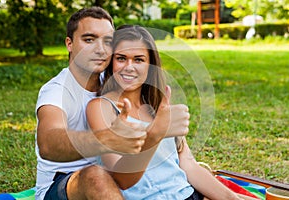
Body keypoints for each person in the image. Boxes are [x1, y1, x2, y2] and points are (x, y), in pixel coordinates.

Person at [35, 7, 190, 200]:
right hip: (64, 185)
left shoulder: (116, 79)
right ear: (69, 43)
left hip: (115, 174)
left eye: (107, 41)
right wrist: (106, 139)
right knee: (96, 176)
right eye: (89, 39)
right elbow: (48, 145)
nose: (100, 49)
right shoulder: (57, 91)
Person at [86, 25, 255, 200]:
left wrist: (233, 198)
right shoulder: (100, 108)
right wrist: (155, 133)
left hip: (188, 195)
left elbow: (188, 165)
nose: (129, 67)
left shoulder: (158, 105)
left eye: (138, 60)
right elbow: (121, 177)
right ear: (111, 62)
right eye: (121, 58)